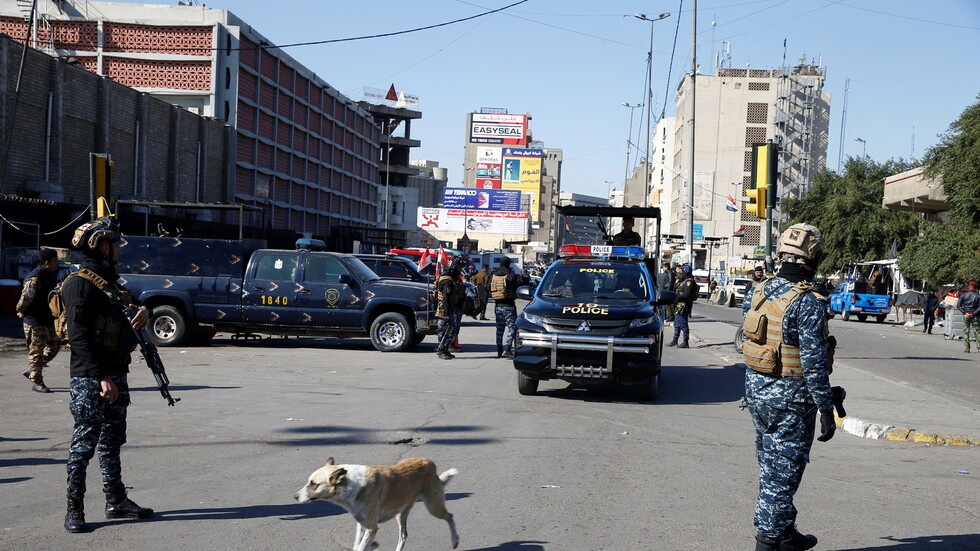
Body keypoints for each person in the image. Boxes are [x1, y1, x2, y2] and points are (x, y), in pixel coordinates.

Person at [741, 223, 836, 551]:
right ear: (814, 256)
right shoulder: (808, 302)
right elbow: (814, 363)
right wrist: (826, 407)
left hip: (757, 393)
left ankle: (784, 531)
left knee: (772, 467)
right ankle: (769, 541)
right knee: (782, 476)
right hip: (790, 401)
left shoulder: (760, 289)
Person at [62, 217, 154, 533]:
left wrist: (143, 311)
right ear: (102, 246)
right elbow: (79, 337)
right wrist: (102, 377)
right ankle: (74, 507)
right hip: (91, 378)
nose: (119, 249)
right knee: (84, 443)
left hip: (116, 372)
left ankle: (116, 501)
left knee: (113, 440)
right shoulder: (79, 284)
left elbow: (130, 304)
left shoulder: (109, 282)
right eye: (115, 243)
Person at [15, 248, 62, 393]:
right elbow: (26, 297)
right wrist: (21, 310)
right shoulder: (35, 277)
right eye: (55, 261)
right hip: (35, 321)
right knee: (36, 352)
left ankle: (32, 370)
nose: (57, 264)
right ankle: (37, 382)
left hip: (47, 320)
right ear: (46, 263)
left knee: (55, 345)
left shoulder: (50, 274)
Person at [434, 260, 464, 360]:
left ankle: (445, 349)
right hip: (444, 308)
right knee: (444, 330)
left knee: (450, 329)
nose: (460, 270)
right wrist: (447, 314)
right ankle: (441, 350)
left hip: (450, 307)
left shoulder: (453, 278)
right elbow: (446, 298)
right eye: (459, 268)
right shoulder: (447, 280)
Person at [490, 256, 519, 358]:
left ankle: (499, 350)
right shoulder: (510, 274)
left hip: (498, 306)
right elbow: (516, 285)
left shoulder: (493, 274)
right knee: (512, 328)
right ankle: (507, 349)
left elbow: (488, 287)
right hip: (509, 306)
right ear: (508, 264)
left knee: (499, 329)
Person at [669, 264, 696, 348]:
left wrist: (676, 297)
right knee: (677, 322)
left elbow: (686, 294)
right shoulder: (682, 281)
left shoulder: (689, 281)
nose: (680, 273)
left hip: (685, 305)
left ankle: (685, 341)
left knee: (683, 323)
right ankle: (675, 339)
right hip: (679, 304)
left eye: (682, 271)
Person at [958, 281, 979, 352]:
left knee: (966, 331)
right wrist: (973, 313)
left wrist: (964, 312)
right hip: (975, 315)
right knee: (977, 331)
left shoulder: (963, 295)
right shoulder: (978, 296)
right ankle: (979, 348)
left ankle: (967, 348)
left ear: (968, 287)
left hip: (966, 315)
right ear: (975, 287)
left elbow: (959, 306)